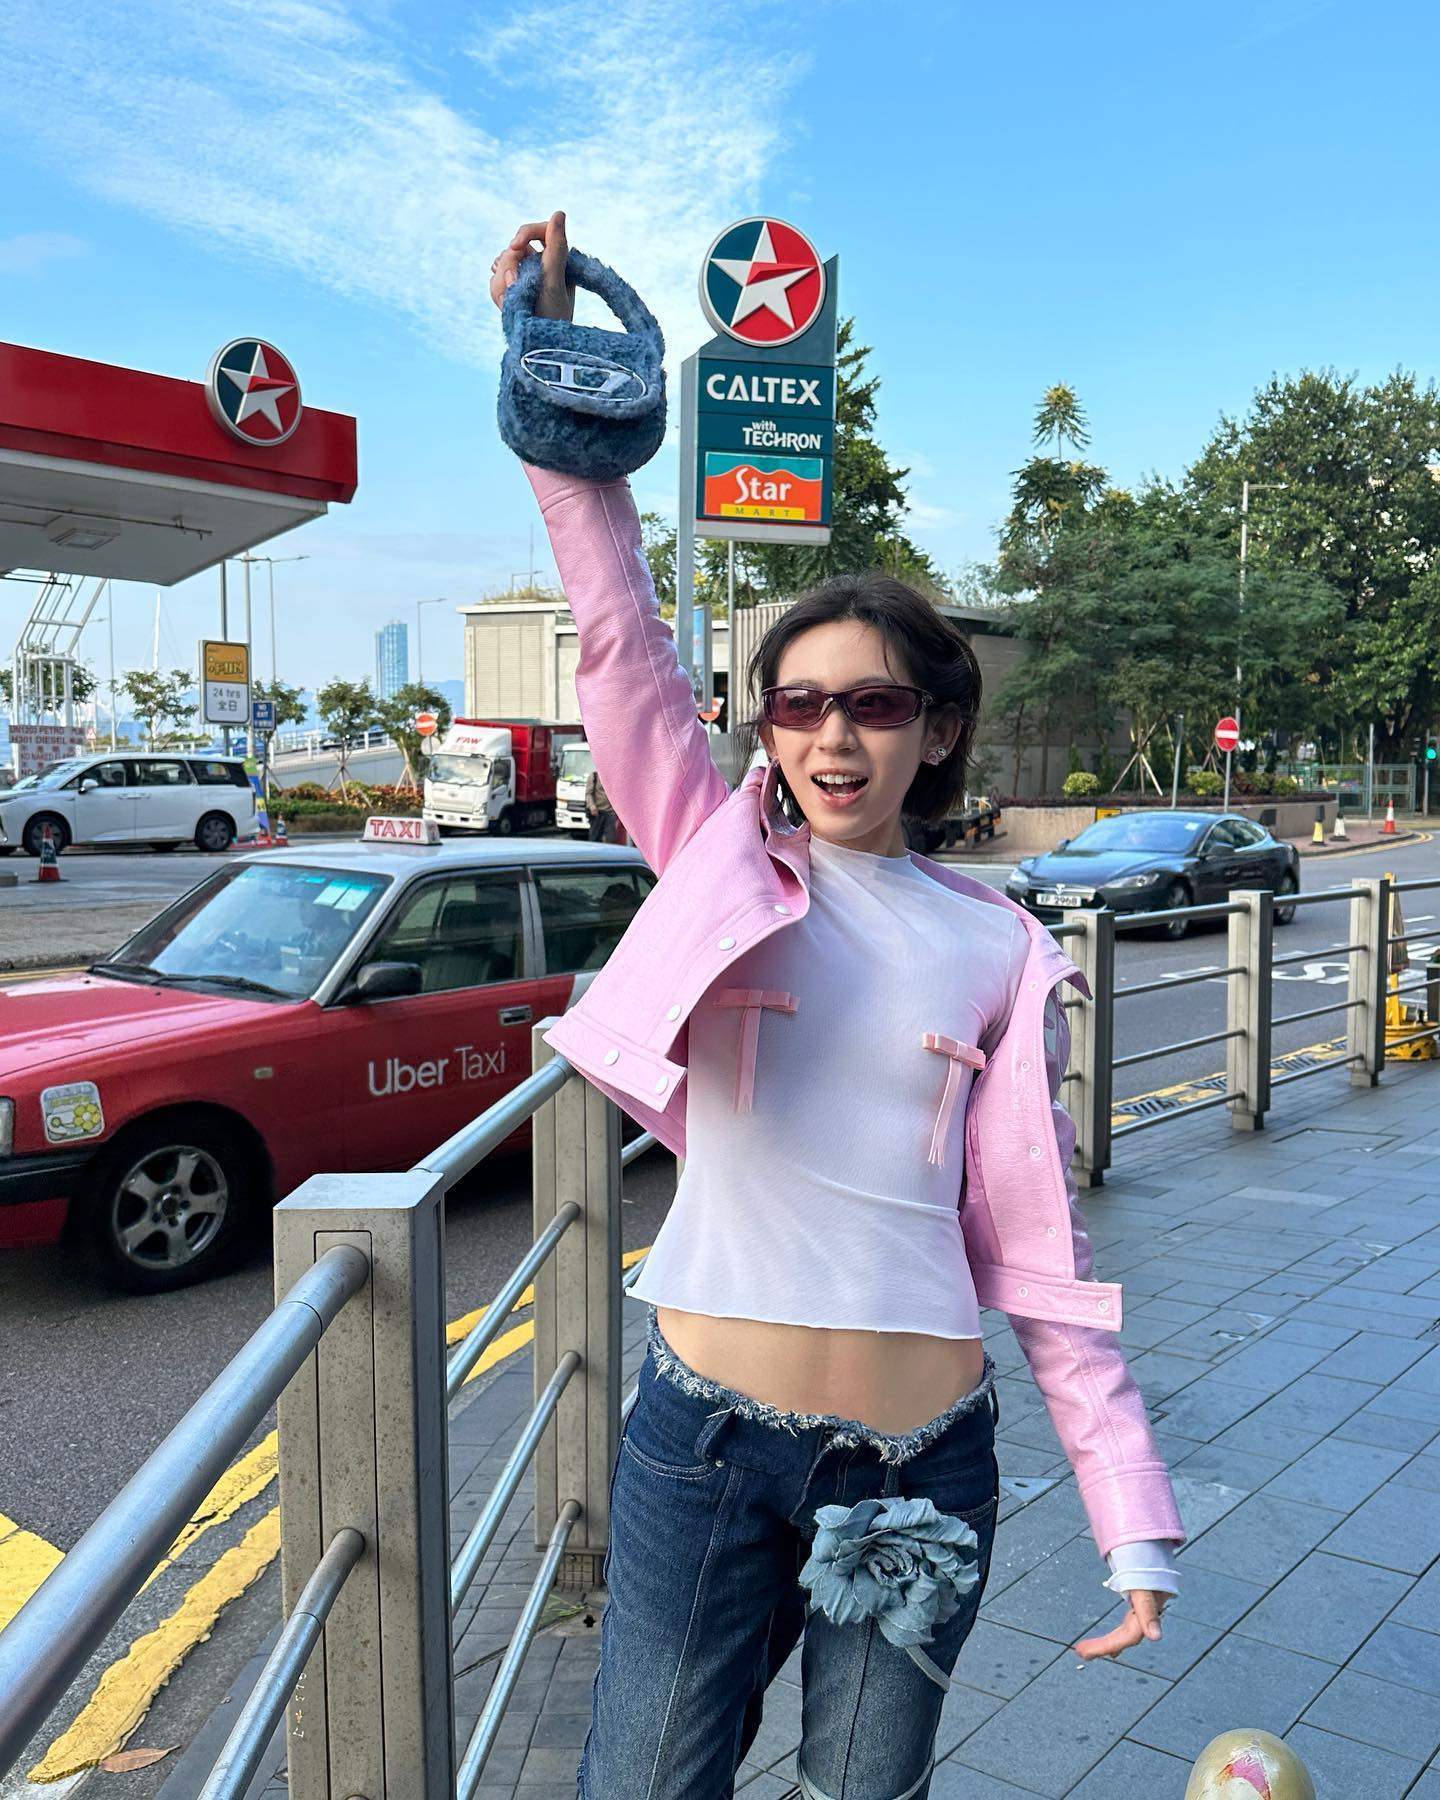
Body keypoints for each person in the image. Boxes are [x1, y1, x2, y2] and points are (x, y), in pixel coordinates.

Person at [490, 213, 1184, 1800]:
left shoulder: (1000, 946)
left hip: (921, 1470)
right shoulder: (720, 863)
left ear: (936, 730)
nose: (831, 737)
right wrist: (562, 418)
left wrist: (1133, 1513)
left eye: (872, 703)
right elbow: (623, 656)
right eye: (797, 705)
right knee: (642, 1783)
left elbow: (1041, 1255)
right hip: (702, 1440)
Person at [585, 761, 618, 842]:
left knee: (611, 838)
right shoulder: (594, 776)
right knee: (594, 838)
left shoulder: (614, 777)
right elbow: (588, 794)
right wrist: (592, 806)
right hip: (597, 812)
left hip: (610, 813)